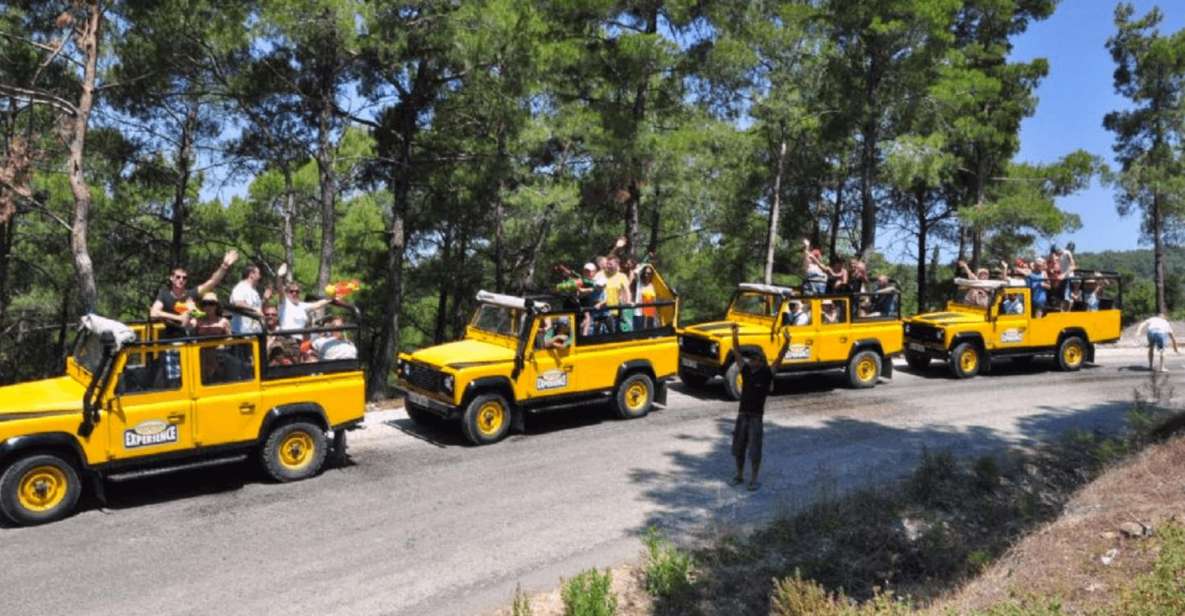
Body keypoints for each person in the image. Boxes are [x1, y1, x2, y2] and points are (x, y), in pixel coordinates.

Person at [728, 323, 792, 491]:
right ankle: (740, 475)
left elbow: (780, 357)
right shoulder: (746, 370)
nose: (750, 360)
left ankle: (754, 480)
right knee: (739, 447)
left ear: (761, 361)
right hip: (743, 415)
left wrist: (787, 342)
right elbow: (736, 351)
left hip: (756, 417)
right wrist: (735, 334)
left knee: (755, 450)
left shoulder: (767, 373)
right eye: (751, 358)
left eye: (754, 358)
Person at [150, 248, 239, 340]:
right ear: (171, 278)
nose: (181, 280)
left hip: (186, 341)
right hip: (166, 341)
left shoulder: (191, 294)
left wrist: (224, 266)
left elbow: (212, 282)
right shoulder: (164, 294)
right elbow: (154, 312)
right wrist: (178, 317)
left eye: (184, 278)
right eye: (178, 277)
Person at [275, 265, 335, 337]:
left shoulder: (302, 306)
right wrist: (279, 276)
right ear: (287, 293)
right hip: (285, 338)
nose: (294, 293)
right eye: (291, 291)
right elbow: (280, 289)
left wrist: (331, 299)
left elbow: (317, 304)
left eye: (297, 291)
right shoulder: (285, 303)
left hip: (297, 341)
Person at [229, 264, 271, 334]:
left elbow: (259, 310)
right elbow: (238, 303)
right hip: (242, 334)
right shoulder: (240, 287)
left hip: (256, 333)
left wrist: (265, 299)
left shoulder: (254, 291)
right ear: (251, 274)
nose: (260, 276)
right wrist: (254, 310)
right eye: (258, 274)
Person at [600, 257, 632, 332]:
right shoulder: (601, 274)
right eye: (607, 264)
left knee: (615, 333)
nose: (608, 266)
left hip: (615, 311)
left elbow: (627, 291)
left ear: (616, 265)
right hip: (602, 310)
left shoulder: (622, 276)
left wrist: (628, 301)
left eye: (610, 264)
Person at [634, 265, 659, 330]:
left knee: (650, 332)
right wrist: (647, 265)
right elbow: (635, 272)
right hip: (640, 313)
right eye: (645, 273)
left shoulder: (653, 285)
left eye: (649, 273)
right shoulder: (639, 283)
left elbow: (655, 299)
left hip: (651, 313)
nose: (647, 275)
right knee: (640, 333)